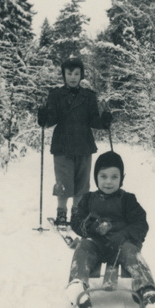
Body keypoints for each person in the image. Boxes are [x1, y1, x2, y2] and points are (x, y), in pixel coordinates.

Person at [66, 151, 155, 308]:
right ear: (96, 177)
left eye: (114, 177)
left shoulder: (128, 200)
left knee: (133, 254)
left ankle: (147, 290)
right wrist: (92, 226)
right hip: (96, 245)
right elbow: (76, 222)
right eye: (103, 176)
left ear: (121, 178)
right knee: (82, 247)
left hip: (122, 246)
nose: (108, 182)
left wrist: (124, 235)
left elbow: (140, 223)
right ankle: (77, 285)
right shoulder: (88, 199)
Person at [37, 57, 112, 226]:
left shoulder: (89, 96)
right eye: (69, 73)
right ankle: (61, 213)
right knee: (63, 181)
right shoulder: (56, 95)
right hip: (62, 145)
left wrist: (104, 121)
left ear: (81, 75)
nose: (73, 77)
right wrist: (43, 117)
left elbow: (94, 120)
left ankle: (76, 214)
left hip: (84, 144)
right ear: (64, 75)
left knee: (82, 183)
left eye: (76, 74)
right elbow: (51, 119)